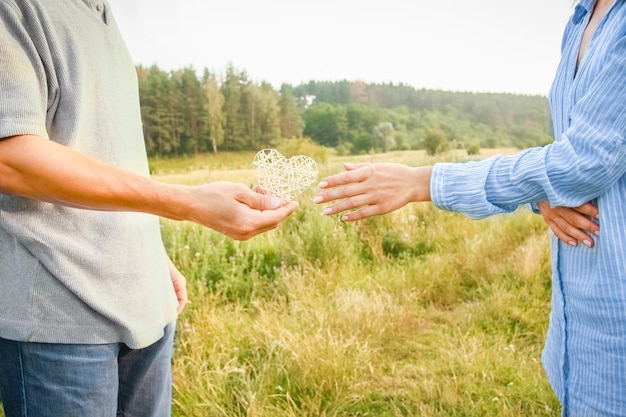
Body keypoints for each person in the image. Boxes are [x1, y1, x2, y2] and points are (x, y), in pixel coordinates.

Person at [315, 0, 625, 415]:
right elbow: (566, 157)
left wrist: (421, 180)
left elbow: (584, 161)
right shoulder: (579, 18)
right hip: (578, 337)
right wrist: (543, 193)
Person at [0, 1, 297, 416]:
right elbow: (11, 159)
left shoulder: (105, 18)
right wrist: (190, 203)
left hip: (145, 303)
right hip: (58, 318)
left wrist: (150, 251)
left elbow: (108, 155)